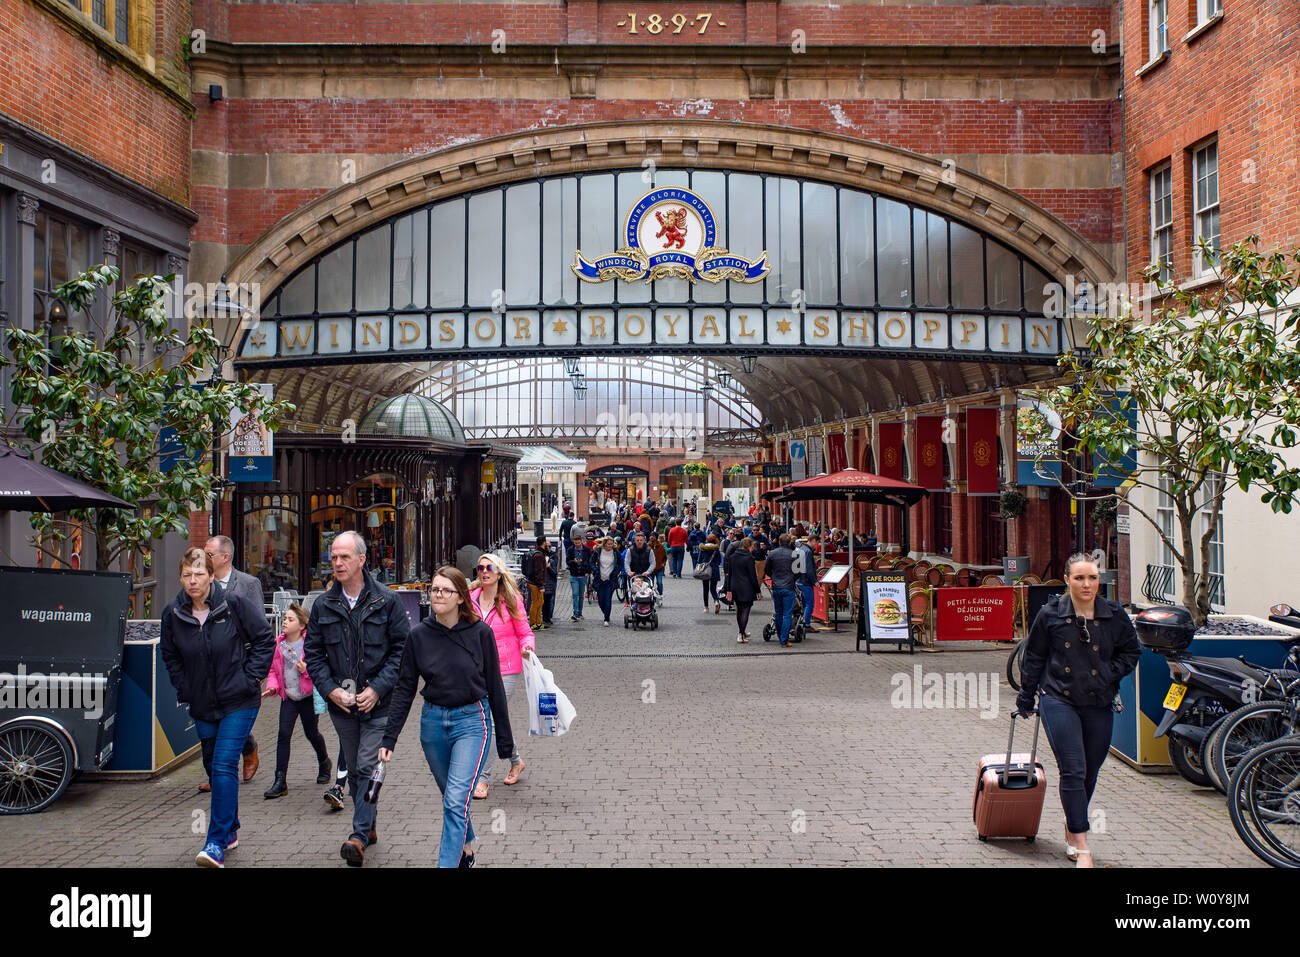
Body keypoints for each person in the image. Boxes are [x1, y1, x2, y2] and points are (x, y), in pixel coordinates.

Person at [378, 567, 514, 869]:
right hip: (433, 724)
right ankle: (466, 849)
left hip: (471, 722)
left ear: (460, 598)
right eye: (434, 590)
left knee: (455, 801)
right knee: (453, 799)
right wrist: (390, 738)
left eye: (445, 590)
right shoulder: (418, 636)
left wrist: (506, 744)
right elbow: (404, 688)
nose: (438, 595)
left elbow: (495, 687)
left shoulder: (481, 633)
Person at [1014, 553, 1140, 867]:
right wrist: (1026, 697)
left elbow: (1132, 651)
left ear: (1100, 581)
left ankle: (1073, 825)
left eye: (1092, 578)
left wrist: (1110, 673)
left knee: (1090, 771)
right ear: (1067, 579)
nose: (1086, 584)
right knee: (1073, 768)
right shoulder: (1051, 614)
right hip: (1059, 698)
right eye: (1080, 578)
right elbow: (1034, 658)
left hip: (1099, 700)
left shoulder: (1113, 614)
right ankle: (1082, 845)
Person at [160, 548, 274, 867]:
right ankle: (232, 829)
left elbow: (265, 640)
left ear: (212, 576)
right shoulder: (173, 613)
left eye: (199, 574)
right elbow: (170, 656)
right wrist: (185, 687)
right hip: (202, 703)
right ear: (181, 577)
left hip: (239, 700)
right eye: (187, 575)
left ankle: (215, 842)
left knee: (224, 765)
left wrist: (250, 678)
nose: (193, 580)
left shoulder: (233, 605)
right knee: (212, 764)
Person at [304, 530, 410, 868]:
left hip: (381, 704)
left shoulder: (386, 601)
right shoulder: (323, 605)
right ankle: (370, 823)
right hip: (343, 706)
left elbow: (401, 652)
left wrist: (377, 688)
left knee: (368, 766)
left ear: (362, 560)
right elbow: (314, 654)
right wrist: (330, 690)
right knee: (354, 771)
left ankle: (358, 835)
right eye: (333, 557)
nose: (336, 562)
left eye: (344, 556)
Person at [469, 553, 534, 798]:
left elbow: (526, 632)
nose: (484, 571)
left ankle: (482, 779)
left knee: (490, 720)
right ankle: (516, 760)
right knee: (488, 719)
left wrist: (527, 647)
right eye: (480, 567)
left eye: (489, 567)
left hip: (506, 668)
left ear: (499, 572)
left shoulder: (510, 600)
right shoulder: (469, 598)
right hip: (476, 668)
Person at [202, 536, 263, 787]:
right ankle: (214, 776)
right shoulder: (198, 583)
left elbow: (259, 628)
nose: (204, 558)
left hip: (238, 665)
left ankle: (248, 749)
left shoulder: (248, 584)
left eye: (210, 554)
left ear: (225, 557)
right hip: (207, 666)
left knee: (231, 715)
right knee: (210, 721)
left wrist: (256, 670)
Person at [261, 603, 332, 799]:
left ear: (302, 625)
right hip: (289, 698)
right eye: (285, 618)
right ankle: (280, 780)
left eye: (290, 619)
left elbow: (320, 668)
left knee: (312, 733)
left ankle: (324, 762)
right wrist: (273, 687)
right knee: (283, 734)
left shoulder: (309, 645)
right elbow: (274, 670)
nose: (285, 622)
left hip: (307, 697)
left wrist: (306, 670)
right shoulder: (279, 645)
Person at [723, 537, 761, 644]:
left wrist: (728, 589)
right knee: (745, 611)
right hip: (747, 587)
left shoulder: (732, 557)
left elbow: (729, 575)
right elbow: (753, 576)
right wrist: (758, 590)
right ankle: (740, 633)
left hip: (735, 587)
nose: (753, 549)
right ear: (748, 546)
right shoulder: (749, 558)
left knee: (739, 610)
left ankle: (742, 632)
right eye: (752, 546)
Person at [766, 533, 798, 648]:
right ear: (789, 543)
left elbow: (767, 570)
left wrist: (774, 577)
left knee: (778, 613)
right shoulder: (794, 554)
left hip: (776, 587)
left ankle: (780, 636)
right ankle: (784, 640)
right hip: (788, 587)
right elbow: (798, 572)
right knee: (787, 614)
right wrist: (792, 579)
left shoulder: (772, 554)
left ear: (779, 542)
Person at [592, 536, 622, 627]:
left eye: (611, 544)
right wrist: (595, 569)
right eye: (608, 544)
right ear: (604, 544)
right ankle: (606, 613)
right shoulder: (598, 551)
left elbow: (620, 563)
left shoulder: (616, 552)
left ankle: (606, 618)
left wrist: (616, 572)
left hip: (610, 580)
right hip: (600, 579)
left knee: (608, 599)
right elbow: (591, 562)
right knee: (601, 601)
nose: (610, 546)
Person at [623, 530, 657, 601]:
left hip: (646, 573)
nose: (639, 542)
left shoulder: (649, 550)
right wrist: (629, 572)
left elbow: (653, 563)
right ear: (635, 540)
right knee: (632, 590)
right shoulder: (630, 550)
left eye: (641, 540)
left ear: (644, 540)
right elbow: (627, 562)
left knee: (649, 590)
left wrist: (648, 571)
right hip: (634, 573)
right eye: (637, 540)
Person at [794, 536, 819, 631]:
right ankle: (807, 624)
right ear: (813, 541)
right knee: (810, 603)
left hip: (799, 580)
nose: (817, 545)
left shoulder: (801, 549)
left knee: (804, 604)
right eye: (816, 543)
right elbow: (809, 569)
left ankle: (802, 621)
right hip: (805, 581)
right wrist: (815, 581)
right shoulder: (808, 552)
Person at [567, 533, 593, 622]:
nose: (577, 545)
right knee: (575, 594)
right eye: (575, 543)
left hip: (583, 575)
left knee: (581, 595)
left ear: (581, 541)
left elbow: (590, 561)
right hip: (573, 575)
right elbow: (567, 561)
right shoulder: (570, 549)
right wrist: (573, 561)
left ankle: (580, 612)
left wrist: (588, 572)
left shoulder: (586, 549)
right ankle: (575, 612)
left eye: (578, 543)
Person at [697, 533, 723, 613]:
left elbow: (699, 560)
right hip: (714, 569)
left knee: (705, 589)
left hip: (705, 569)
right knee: (713, 588)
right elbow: (719, 561)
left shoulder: (703, 548)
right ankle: (716, 601)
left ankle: (706, 607)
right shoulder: (716, 549)